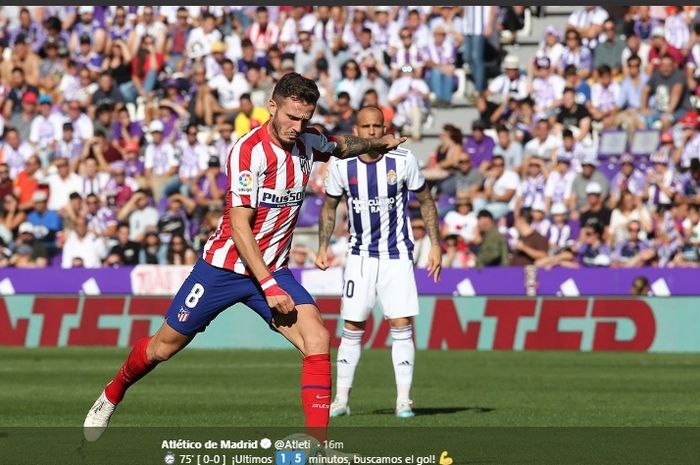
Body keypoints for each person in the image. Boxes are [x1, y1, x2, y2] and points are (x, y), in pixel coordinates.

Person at [83, 73, 407, 443]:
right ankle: (113, 392)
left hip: (272, 270)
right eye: (290, 117)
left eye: (304, 119)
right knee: (162, 347)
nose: (296, 127)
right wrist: (268, 286)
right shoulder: (248, 152)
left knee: (317, 337)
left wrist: (379, 142)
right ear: (272, 106)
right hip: (224, 268)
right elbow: (240, 227)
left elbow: (341, 146)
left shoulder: (307, 140)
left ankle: (317, 446)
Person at [315, 106, 441, 419]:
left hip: (397, 255)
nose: (372, 131)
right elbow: (330, 206)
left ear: (384, 128)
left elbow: (426, 200)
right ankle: (341, 400)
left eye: (377, 126)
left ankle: (403, 400)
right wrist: (322, 246)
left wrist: (436, 246)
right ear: (356, 130)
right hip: (359, 256)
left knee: (401, 325)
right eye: (366, 126)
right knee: (352, 326)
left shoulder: (403, 160)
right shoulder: (342, 165)